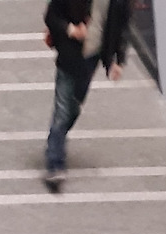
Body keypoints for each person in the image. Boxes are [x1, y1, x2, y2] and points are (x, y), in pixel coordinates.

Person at [43, 0, 130, 191]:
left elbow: (121, 28)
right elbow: (51, 15)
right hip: (69, 55)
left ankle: (54, 141)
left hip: (92, 58)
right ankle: (55, 164)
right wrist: (71, 30)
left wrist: (118, 61)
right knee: (62, 111)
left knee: (73, 109)